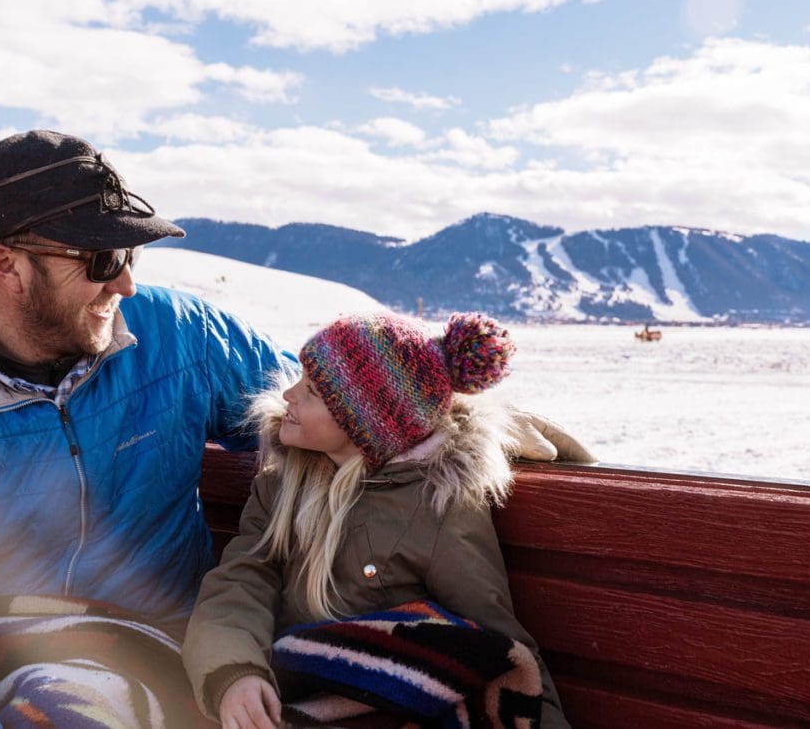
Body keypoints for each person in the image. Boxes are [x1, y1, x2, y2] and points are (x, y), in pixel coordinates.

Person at [0, 129, 588, 728]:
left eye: (130, 252)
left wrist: (441, 423)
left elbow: (329, 407)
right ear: (5, 263)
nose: (127, 279)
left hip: (160, 647)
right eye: (101, 255)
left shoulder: (179, 338)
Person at [182, 312, 571, 728]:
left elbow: (498, 646)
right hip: (287, 694)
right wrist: (233, 672)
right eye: (300, 377)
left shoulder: (436, 509)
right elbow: (242, 580)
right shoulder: (282, 482)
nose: (289, 395)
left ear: (362, 423)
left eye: (311, 391)